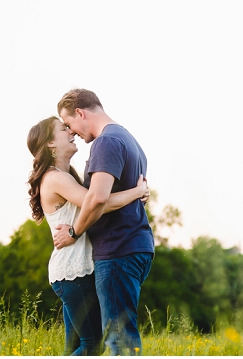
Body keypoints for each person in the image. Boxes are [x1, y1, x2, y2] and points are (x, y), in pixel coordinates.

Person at [27, 117, 148, 355]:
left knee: (75, 347)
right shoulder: (55, 178)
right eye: (64, 129)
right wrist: (137, 191)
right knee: (92, 345)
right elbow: (96, 203)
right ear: (51, 143)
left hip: (72, 271)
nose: (71, 131)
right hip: (73, 272)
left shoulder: (66, 176)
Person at [52, 89, 155, 356]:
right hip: (134, 244)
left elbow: (97, 199)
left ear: (80, 113)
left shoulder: (105, 142)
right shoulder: (128, 139)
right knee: (116, 336)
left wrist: (73, 232)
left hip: (117, 249)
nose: (72, 131)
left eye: (69, 123)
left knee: (118, 340)